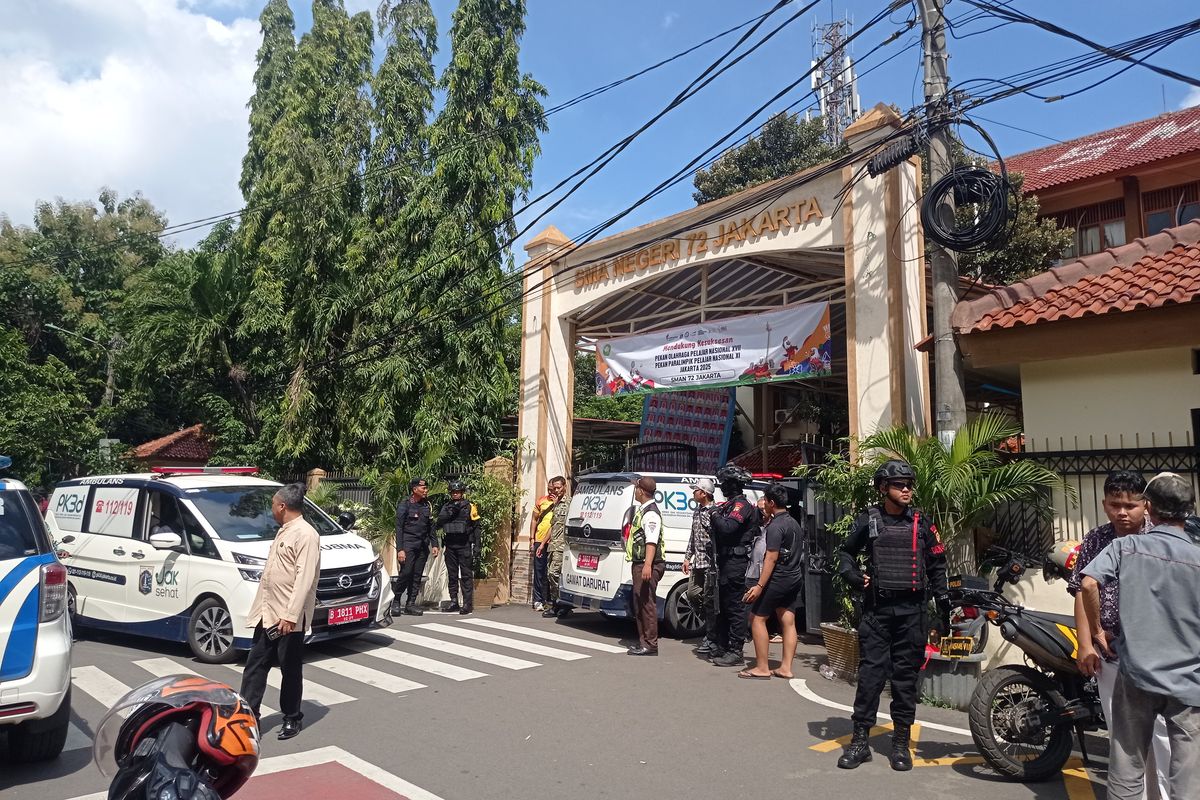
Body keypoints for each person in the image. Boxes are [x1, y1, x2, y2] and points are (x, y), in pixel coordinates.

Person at [1081, 472, 1200, 800]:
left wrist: (1097, 630)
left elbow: (1088, 584)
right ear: (1189, 510)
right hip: (1189, 682)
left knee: (1127, 767)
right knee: (1188, 777)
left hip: (1136, 674)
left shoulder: (1126, 546)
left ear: (1149, 507)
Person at [836, 459, 947, 771]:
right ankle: (860, 742)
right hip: (878, 612)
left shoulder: (923, 523)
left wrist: (943, 608)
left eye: (909, 484)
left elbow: (938, 566)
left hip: (912, 614)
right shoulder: (868, 520)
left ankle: (900, 743)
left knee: (905, 681)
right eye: (900, 485)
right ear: (883, 488)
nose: (906, 489)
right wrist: (853, 576)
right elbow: (845, 554)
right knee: (870, 678)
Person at [1068, 470, 1170, 799]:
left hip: (1156, 657)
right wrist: (1086, 643)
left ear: (1146, 505)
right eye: (1115, 505)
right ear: (1104, 505)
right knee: (1123, 736)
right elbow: (1082, 591)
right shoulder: (1096, 539)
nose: (1122, 512)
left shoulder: (1162, 538)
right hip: (1110, 653)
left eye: (1130, 505)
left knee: (1163, 736)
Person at [240, 483, 320, 740]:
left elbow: (304, 578)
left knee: (290, 669)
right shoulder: (284, 531)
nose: (272, 509)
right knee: (255, 665)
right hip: (268, 612)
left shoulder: (306, 535)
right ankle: (248, 717)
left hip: (288, 617)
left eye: (274, 505)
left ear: (282, 506)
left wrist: (290, 615)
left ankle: (292, 717)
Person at [740, 484, 804, 679]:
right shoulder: (794, 523)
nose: (764, 505)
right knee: (788, 620)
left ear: (772, 503)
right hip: (794, 578)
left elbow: (771, 558)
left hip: (778, 579)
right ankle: (786, 668)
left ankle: (762, 667)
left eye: (765, 501)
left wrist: (759, 586)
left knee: (756, 619)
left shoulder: (776, 526)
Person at [709, 463, 761, 668]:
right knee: (723, 606)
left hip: (736, 563)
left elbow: (728, 527)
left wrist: (714, 514)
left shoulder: (741, 506)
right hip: (725, 561)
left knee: (735, 608)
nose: (721, 487)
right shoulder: (729, 505)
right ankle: (723, 645)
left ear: (733, 485)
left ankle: (735, 650)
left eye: (724, 483)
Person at [625, 475, 665, 656]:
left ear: (641, 491)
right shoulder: (643, 510)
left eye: (636, 488)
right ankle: (644, 642)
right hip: (641, 563)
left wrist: (648, 564)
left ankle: (650, 644)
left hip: (647, 563)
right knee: (640, 603)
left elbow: (651, 541)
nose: (635, 491)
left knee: (647, 604)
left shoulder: (650, 514)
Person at [392, 478, 439, 616]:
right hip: (408, 544)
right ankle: (396, 601)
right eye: (423, 488)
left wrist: (434, 544)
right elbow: (399, 528)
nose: (426, 490)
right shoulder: (405, 505)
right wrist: (400, 549)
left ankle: (410, 604)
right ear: (414, 489)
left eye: (426, 488)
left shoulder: (427, 505)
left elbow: (431, 527)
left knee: (417, 575)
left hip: (422, 545)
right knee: (406, 572)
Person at [685, 478, 720, 656]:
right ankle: (710, 625)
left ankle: (712, 635)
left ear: (704, 493)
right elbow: (693, 536)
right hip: (697, 562)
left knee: (709, 599)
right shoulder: (697, 511)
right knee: (692, 594)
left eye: (696, 490)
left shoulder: (714, 512)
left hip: (709, 564)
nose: (693, 493)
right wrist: (687, 557)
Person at [437, 480, 479, 615]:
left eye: (458, 492)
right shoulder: (446, 507)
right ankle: (454, 601)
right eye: (453, 492)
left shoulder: (470, 506)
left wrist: (477, 545)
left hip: (464, 545)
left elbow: (476, 527)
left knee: (466, 575)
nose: (455, 494)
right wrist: (450, 513)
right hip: (450, 545)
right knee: (452, 575)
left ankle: (467, 604)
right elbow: (439, 522)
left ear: (462, 493)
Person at [530, 477, 564, 611]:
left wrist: (556, 504)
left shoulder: (562, 503)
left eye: (554, 489)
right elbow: (534, 519)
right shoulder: (542, 501)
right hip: (539, 540)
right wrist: (532, 538)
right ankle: (538, 600)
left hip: (555, 542)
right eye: (549, 489)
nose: (552, 492)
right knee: (539, 572)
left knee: (552, 572)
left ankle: (551, 600)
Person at [544, 478, 573, 618]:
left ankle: (563, 604)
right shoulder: (556, 504)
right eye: (554, 488)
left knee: (553, 573)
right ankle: (557, 604)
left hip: (562, 546)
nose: (556, 490)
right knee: (550, 575)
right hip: (553, 545)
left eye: (558, 488)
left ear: (564, 487)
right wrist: (543, 544)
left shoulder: (570, 503)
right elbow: (553, 525)